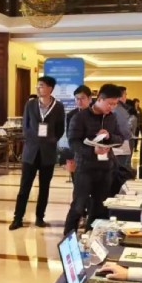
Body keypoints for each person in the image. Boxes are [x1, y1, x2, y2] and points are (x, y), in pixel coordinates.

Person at [63, 84, 123, 235]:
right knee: (79, 205)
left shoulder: (112, 117)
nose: (112, 107)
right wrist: (92, 150)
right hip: (85, 168)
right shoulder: (80, 117)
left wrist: (109, 136)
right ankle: (68, 236)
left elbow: (120, 139)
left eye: (115, 104)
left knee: (100, 206)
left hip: (105, 168)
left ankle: (91, 236)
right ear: (100, 99)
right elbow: (73, 142)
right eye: (110, 103)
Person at [9, 75, 65, 230]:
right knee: (24, 187)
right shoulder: (30, 104)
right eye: (38, 85)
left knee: (44, 187)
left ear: (50, 88)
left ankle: (40, 217)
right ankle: (17, 218)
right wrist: (33, 139)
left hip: (48, 152)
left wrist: (51, 140)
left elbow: (60, 128)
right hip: (30, 152)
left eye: (41, 85)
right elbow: (25, 126)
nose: (38, 88)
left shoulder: (58, 107)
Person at [59, 85, 92, 178]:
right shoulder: (71, 114)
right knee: (77, 180)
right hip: (76, 152)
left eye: (82, 98)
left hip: (91, 152)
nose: (79, 101)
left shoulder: (95, 113)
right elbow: (69, 135)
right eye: (77, 99)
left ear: (89, 99)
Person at [111, 86, 133, 170]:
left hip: (116, 142)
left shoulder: (116, 108)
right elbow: (124, 128)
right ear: (121, 96)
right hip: (121, 143)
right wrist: (129, 136)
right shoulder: (119, 109)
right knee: (121, 168)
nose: (126, 97)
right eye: (125, 94)